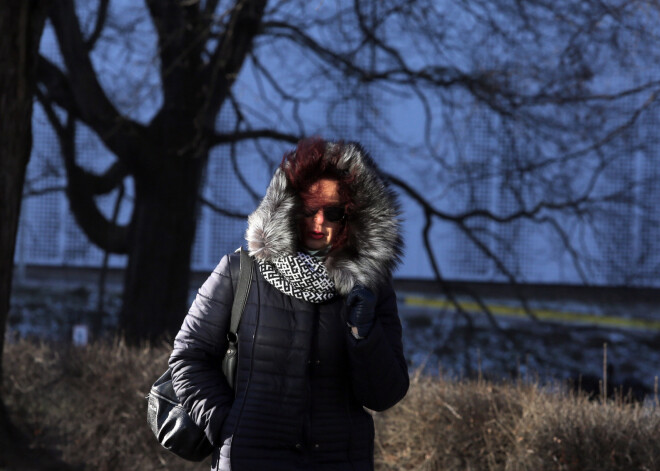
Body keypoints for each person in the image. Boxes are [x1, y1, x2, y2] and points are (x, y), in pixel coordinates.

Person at [169, 137, 409, 471]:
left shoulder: (371, 287)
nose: (319, 222)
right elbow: (188, 358)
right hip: (250, 459)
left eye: (333, 212)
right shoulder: (240, 273)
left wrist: (364, 334)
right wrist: (228, 422)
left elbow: (385, 394)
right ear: (290, 207)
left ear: (351, 216)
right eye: (310, 209)